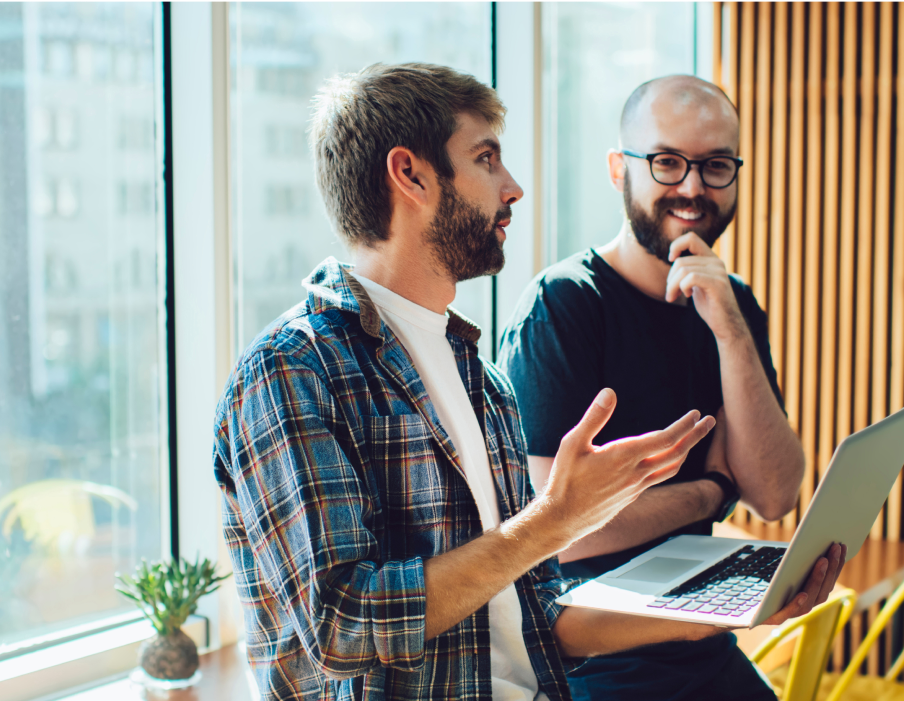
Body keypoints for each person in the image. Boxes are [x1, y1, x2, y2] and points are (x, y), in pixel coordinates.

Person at [213, 64, 843, 701]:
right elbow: (340, 627)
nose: (512, 188)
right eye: (486, 158)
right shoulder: (291, 369)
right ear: (411, 175)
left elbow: (536, 618)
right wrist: (555, 521)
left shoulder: (478, 377)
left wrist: (720, 614)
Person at [498, 74, 807, 701]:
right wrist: (714, 490)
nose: (693, 187)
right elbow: (560, 532)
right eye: (667, 162)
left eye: (716, 165)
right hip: (594, 662)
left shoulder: (732, 303)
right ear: (620, 169)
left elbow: (775, 493)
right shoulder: (562, 307)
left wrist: (730, 330)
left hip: (702, 638)